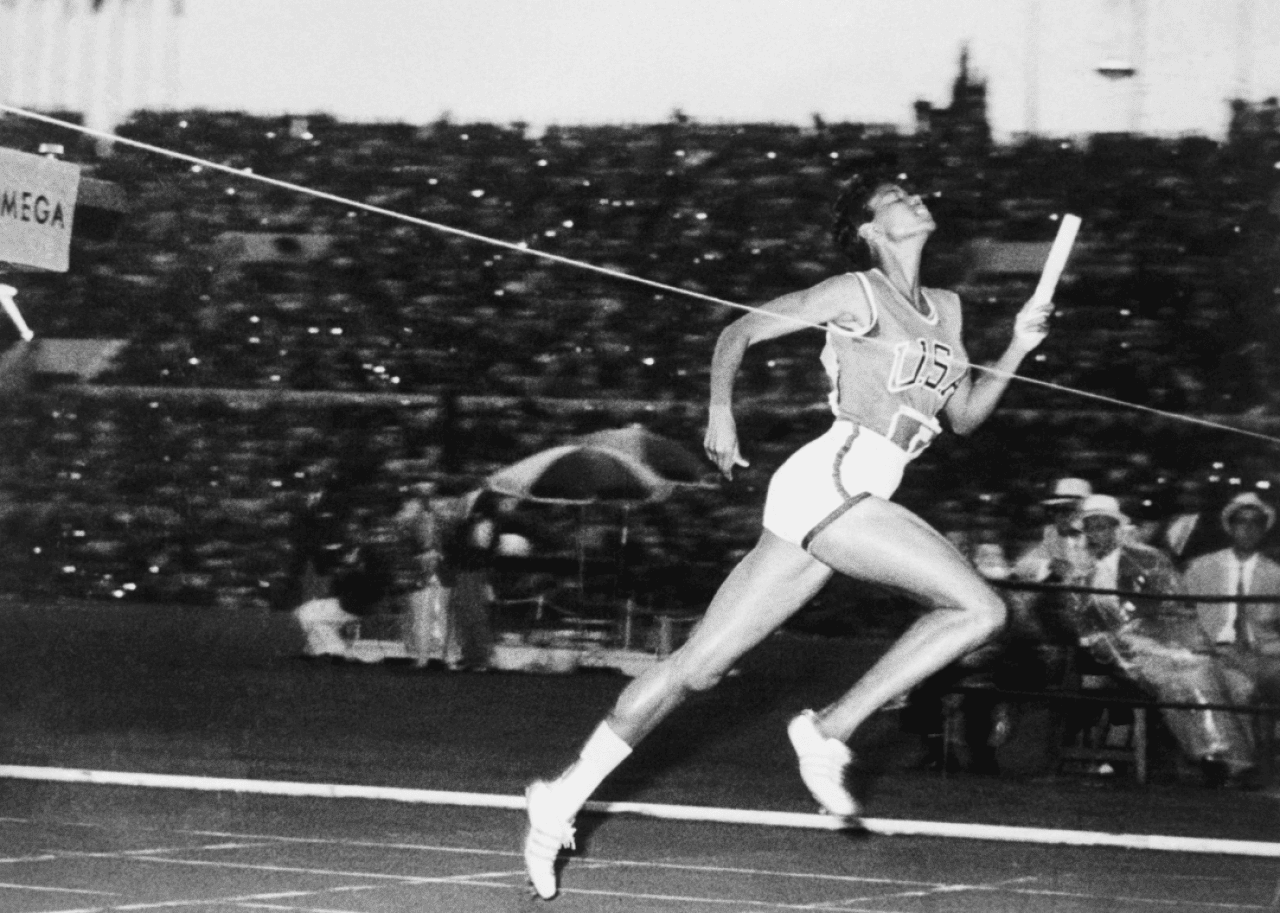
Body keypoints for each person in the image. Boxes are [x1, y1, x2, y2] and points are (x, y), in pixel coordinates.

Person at [521, 171, 1056, 899]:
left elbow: (962, 417)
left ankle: (561, 794)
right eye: (896, 198)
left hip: (857, 492)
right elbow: (738, 327)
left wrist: (1019, 347)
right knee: (980, 609)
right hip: (834, 476)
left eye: (914, 192)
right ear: (871, 229)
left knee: (697, 668)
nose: (916, 198)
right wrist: (720, 409)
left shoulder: (949, 310)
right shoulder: (856, 291)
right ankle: (831, 728)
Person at [1062, 494, 1256, 786]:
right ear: (1085, 530)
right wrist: (1120, 644)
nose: (1099, 532)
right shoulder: (1078, 578)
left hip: (1169, 642)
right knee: (1187, 676)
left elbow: (1176, 608)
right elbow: (1087, 633)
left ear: (1117, 527)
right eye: (1093, 526)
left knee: (1209, 676)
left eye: (1105, 525)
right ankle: (1223, 760)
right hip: (1122, 655)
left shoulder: (1149, 559)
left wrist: (1162, 642)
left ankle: (1216, 758)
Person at [1183, 493, 1280, 710]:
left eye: (1256, 522)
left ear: (1264, 529)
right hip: (1212, 651)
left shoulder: (1275, 574)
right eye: (1241, 521)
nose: (1248, 528)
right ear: (1230, 526)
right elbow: (1182, 613)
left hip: (1262, 655)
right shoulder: (1201, 567)